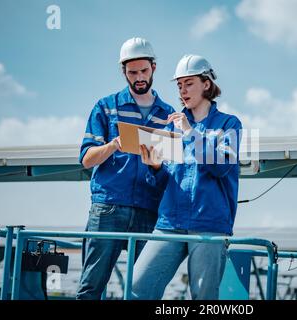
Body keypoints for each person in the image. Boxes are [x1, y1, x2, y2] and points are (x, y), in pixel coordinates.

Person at [132, 54, 242, 300]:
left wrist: (191, 133)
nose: (182, 90)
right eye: (179, 85)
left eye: (188, 83)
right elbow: (165, 182)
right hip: (170, 222)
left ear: (206, 84)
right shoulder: (172, 128)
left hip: (209, 224)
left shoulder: (229, 124)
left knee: (203, 297)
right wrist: (156, 167)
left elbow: (220, 167)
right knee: (138, 286)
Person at [76, 37, 175, 300]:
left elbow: (172, 172)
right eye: (133, 72)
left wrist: (156, 166)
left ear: (154, 67)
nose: (139, 77)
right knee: (91, 287)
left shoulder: (169, 114)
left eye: (144, 70)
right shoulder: (105, 107)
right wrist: (114, 145)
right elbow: (87, 158)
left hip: (148, 211)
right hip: (108, 208)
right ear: (124, 72)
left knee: (142, 291)